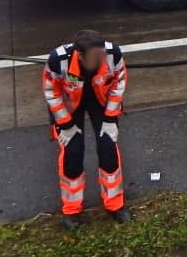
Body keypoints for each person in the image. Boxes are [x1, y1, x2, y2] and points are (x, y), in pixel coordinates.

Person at [43, 30, 129, 228]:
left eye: (102, 55)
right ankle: (71, 210)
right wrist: (65, 124)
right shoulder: (58, 60)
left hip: (101, 100)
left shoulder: (113, 54)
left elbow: (119, 83)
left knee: (108, 147)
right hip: (69, 104)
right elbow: (51, 91)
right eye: (95, 57)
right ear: (80, 56)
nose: (101, 60)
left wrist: (110, 118)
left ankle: (114, 204)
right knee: (72, 152)